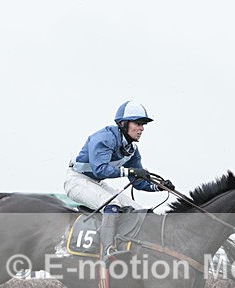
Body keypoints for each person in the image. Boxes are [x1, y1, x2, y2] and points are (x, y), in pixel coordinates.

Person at [64, 101, 174, 260]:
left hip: (96, 183)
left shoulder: (132, 150)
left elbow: (138, 182)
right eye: (138, 124)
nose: (142, 129)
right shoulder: (105, 138)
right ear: (123, 124)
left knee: (137, 209)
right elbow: (100, 169)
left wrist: (159, 187)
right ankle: (108, 252)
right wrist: (131, 171)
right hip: (77, 181)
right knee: (112, 205)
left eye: (143, 125)